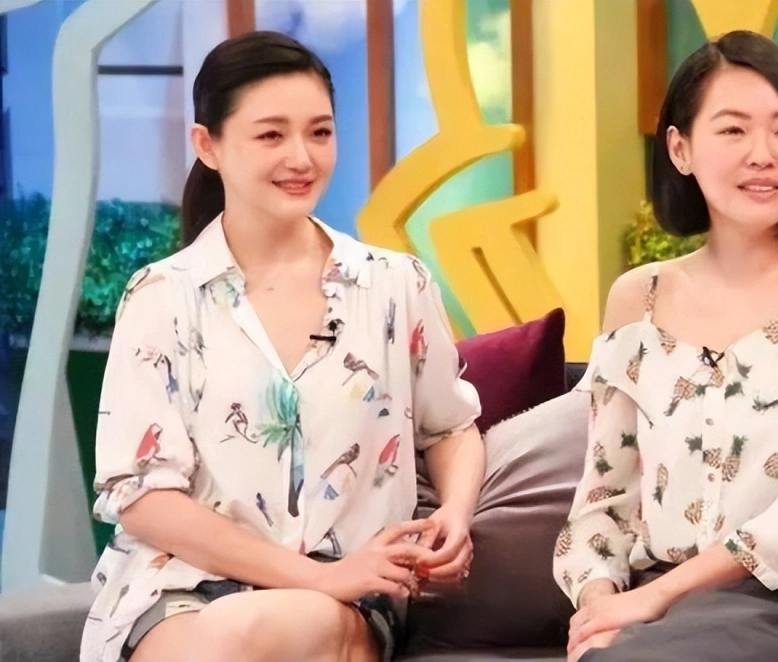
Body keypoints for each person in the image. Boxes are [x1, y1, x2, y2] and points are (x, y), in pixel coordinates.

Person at [81, 31, 484, 662]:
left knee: (245, 632)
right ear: (207, 146)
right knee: (216, 637)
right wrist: (319, 577)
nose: (301, 157)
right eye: (271, 135)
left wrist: (455, 515)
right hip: (178, 588)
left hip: (348, 593)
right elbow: (143, 499)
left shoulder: (395, 284)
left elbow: (451, 427)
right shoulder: (161, 295)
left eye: (319, 132)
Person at [554, 30, 778, 662]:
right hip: (662, 609)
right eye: (733, 130)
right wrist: (599, 608)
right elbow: (602, 502)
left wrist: (651, 601)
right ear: (680, 149)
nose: (763, 155)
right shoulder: (637, 299)